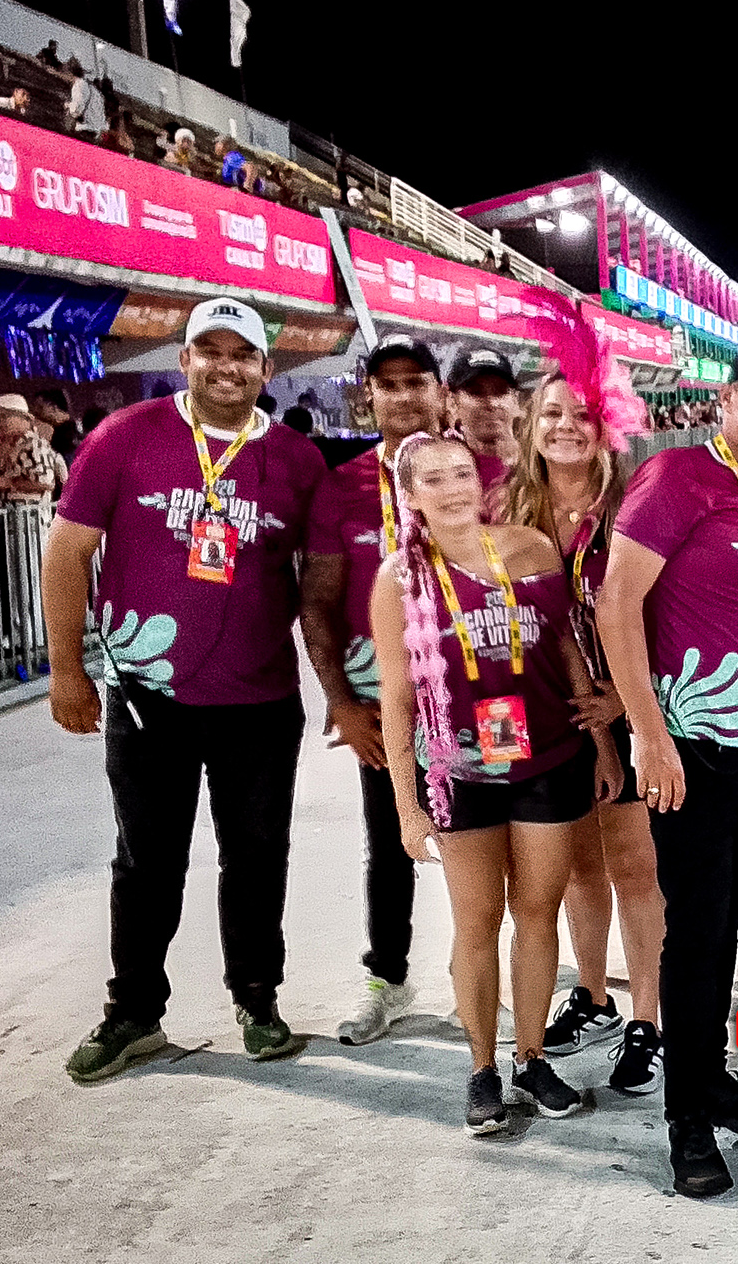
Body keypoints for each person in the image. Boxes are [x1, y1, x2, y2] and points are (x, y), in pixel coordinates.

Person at [43, 298, 328, 1083]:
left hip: (260, 698)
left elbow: (323, 581)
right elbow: (67, 553)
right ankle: (133, 1012)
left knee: (257, 854)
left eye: (243, 354)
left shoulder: (297, 461)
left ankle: (258, 1000)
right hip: (147, 695)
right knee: (146, 858)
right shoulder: (124, 436)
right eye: (211, 350)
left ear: (266, 369)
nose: (226, 366)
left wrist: (352, 685)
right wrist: (67, 669)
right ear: (185, 360)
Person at [596, 337, 738, 1197]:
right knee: (694, 929)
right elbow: (616, 600)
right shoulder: (680, 475)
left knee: (723, 919)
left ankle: (710, 1072)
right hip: (689, 746)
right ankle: (686, 1118)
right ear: (726, 400)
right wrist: (648, 734)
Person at [370, 432, 623, 1134]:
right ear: (410, 494)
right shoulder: (398, 580)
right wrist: (406, 806)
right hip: (462, 772)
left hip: (549, 759)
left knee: (538, 911)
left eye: (461, 473)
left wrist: (603, 744)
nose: (452, 488)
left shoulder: (531, 549)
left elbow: (566, 647)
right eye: (433, 478)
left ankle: (531, 1055)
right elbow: (396, 698)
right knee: (477, 922)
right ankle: (482, 1067)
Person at [505, 373, 666, 1099]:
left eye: (583, 414)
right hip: (545, 713)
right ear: (531, 424)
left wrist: (628, 699)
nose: (566, 426)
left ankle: (648, 1021)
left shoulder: (634, 506)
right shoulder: (507, 507)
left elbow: (669, 609)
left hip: (623, 708)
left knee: (634, 867)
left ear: (609, 426)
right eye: (552, 413)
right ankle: (595, 996)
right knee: (576, 868)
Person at [302, 335, 446, 1045]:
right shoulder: (342, 485)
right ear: (369, 395)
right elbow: (317, 602)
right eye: (389, 384)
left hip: (477, 701)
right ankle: (387, 978)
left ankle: (503, 975)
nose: (404, 395)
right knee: (391, 843)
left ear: (439, 391)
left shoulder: (477, 474)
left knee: (495, 842)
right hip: (384, 703)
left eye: (417, 381)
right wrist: (340, 702)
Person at [448, 349, 520, 500]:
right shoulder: (440, 464)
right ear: (453, 402)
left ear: (515, 400)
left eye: (500, 392)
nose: (491, 403)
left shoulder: (540, 464)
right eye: (476, 392)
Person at [0, 394, 62, 504]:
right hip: (9, 511)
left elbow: (45, 483)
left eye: (4, 416)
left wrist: (8, 483)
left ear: (21, 417)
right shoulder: (7, 444)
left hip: (31, 512)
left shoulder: (35, 445)